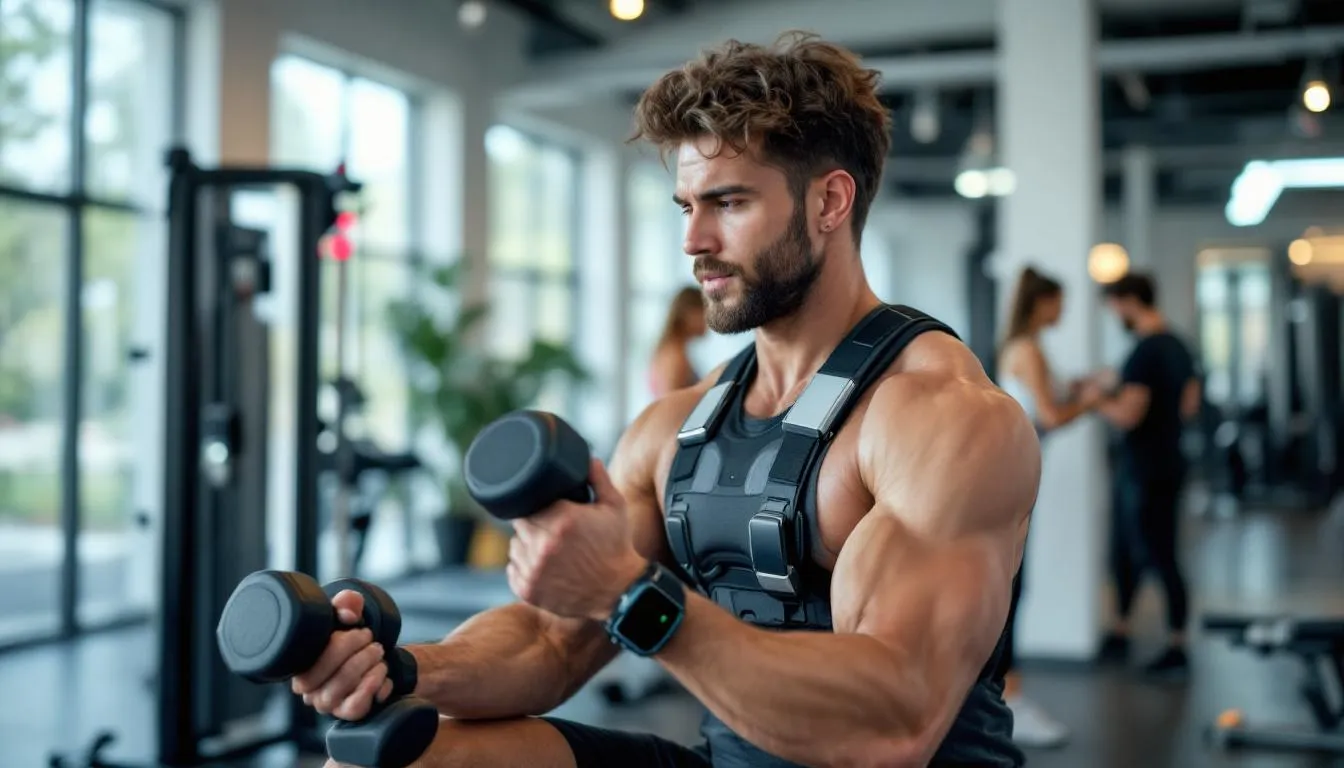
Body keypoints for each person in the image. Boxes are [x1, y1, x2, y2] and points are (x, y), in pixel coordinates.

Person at [299, 32, 1040, 768]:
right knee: (385, 761)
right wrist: (400, 670)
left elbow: (894, 724)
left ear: (830, 201)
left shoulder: (941, 415)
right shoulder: (673, 428)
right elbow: (553, 639)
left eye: (728, 202)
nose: (693, 238)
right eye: (686, 204)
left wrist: (632, 592)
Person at [994, 265, 1100, 748]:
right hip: (1010, 476)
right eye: (1059, 302)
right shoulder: (1029, 349)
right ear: (1042, 303)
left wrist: (1078, 388)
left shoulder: (1025, 347)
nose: (1063, 311)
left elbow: (1045, 404)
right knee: (1013, 587)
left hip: (1018, 474)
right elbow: (1051, 418)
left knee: (1015, 584)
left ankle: (1004, 695)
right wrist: (1092, 403)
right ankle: (1009, 699)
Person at [1085, 272, 1201, 679]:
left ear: (1131, 301)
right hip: (1168, 460)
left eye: (1115, 305)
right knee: (1134, 548)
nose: (1115, 313)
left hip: (1145, 467)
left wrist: (1095, 400)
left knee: (1154, 553)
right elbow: (1188, 403)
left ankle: (1177, 648)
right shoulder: (1177, 345)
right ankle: (1123, 629)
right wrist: (1114, 382)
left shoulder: (1145, 352)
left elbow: (1129, 416)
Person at [648, 285, 708, 396]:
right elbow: (669, 408)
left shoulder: (670, 350)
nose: (709, 320)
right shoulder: (674, 357)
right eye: (705, 312)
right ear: (688, 314)